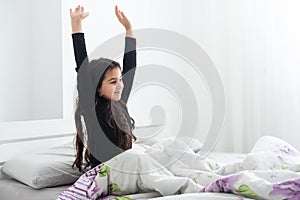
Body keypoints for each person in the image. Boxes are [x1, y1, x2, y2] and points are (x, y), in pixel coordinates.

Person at [70, 5, 137, 172]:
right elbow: (83, 67)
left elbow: (131, 67)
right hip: (104, 172)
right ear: (97, 88)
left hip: (125, 167)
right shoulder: (91, 106)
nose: (120, 85)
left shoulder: (120, 102)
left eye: (120, 80)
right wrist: (76, 25)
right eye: (113, 81)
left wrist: (129, 30)